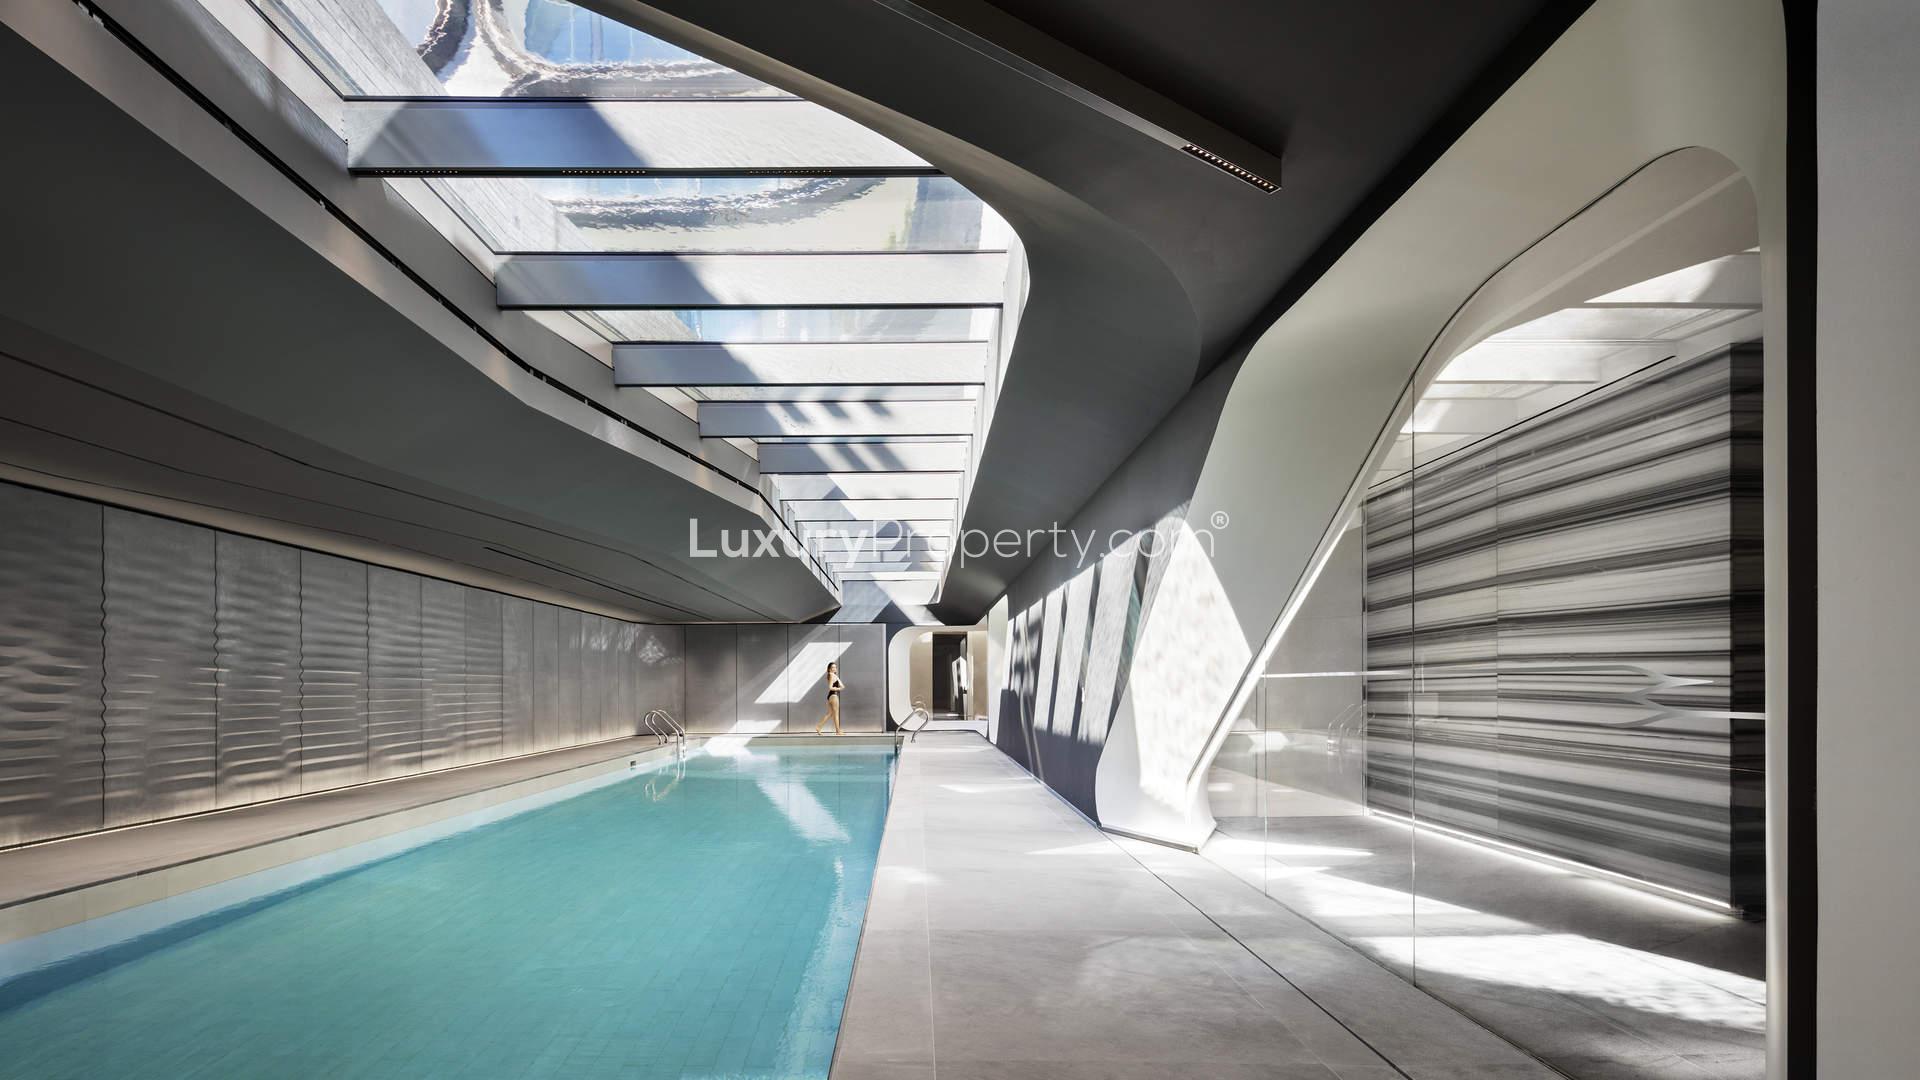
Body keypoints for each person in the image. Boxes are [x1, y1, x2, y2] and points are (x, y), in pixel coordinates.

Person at [815, 662, 844, 735]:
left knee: (830, 713)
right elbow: (830, 687)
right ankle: (838, 731)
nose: (834, 668)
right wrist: (837, 688)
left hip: (831, 696)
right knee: (836, 714)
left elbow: (843, 686)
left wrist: (838, 687)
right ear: (829, 669)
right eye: (833, 667)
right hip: (833, 695)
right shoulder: (831, 675)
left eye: (835, 667)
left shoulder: (834, 675)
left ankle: (818, 727)